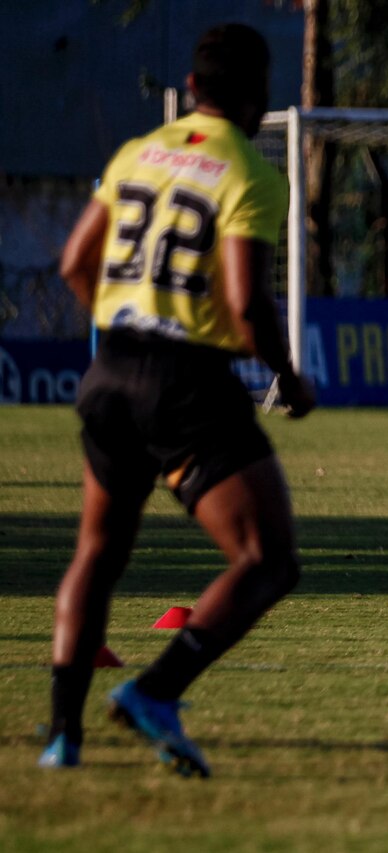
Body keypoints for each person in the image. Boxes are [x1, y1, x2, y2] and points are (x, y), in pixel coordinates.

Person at [39, 23, 315, 777]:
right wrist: (288, 380)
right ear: (260, 96)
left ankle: (63, 737)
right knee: (268, 558)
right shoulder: (249, 174)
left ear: (192, 90)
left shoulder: (136, 153)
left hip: (110, 369)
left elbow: (73, 263)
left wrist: (125, 323)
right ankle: (155, 691)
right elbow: (247, 303)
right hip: (185, 381)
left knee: (97, 551)